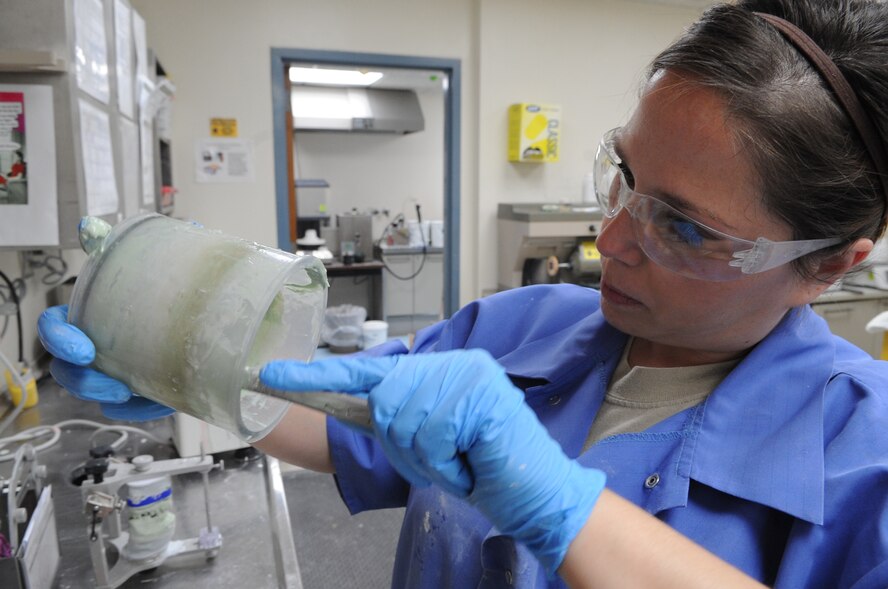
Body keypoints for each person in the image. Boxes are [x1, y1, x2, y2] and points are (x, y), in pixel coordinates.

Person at [38, 0, 888, 586]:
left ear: (830, 264)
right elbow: (337, 420)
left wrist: (563, 511)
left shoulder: (863, 456)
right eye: (624, 176)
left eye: (688, 229)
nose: (614, 238)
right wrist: (178, 356)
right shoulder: (526, 329)